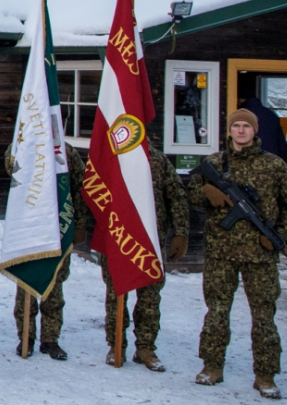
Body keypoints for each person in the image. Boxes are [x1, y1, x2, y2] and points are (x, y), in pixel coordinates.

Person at [187, 108, 287, 399]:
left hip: (260, 256)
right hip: (221, 253)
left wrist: (278, 234)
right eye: (236, 126)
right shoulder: (215, 163)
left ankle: (265, 375)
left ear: (255, 131)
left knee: (264, 316)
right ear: (230, 130)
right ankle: (212, 367)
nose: (241, 131)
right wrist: (206, 193)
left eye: (246, 126)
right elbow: (191, 195)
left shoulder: (274, 165)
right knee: (216, 313)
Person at [101, 142, 188, 370]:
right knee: (115, 293)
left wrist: (181, 233)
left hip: (151, 241)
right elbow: (93, 191)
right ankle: (116, 345)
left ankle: (146, 348)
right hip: (118, 238)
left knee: (150, 297)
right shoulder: (110, 156)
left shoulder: (157, 159)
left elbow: (176, 196)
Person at [11, 141, 87, 361]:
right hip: (29, 226)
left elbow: (79, 187)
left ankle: (50, 339)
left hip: (58, 227)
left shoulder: (66, 151)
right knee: (26, 283)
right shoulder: (22, 145)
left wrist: (80, 223)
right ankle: (26, 336)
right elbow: (11, 167)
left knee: (54, 283)